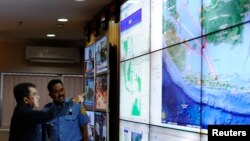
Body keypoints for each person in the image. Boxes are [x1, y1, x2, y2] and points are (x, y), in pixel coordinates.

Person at [9, 82, 81, 141]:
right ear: (26, 100)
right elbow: (48, 115)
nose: (38, 97)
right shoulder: (24, 113)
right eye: (35, 94)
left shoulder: (26, 112)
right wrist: (72, 101)